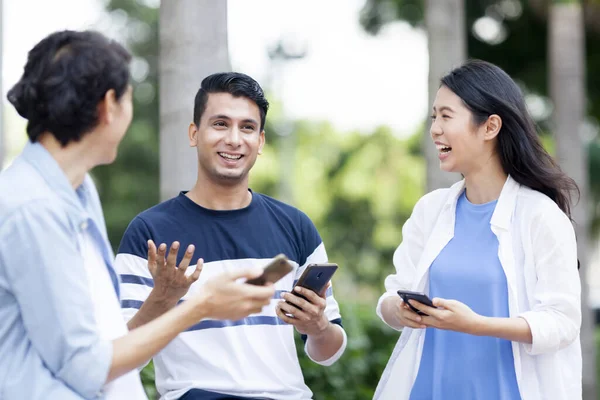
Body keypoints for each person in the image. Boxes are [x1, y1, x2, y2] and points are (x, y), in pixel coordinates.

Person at [0, 30, 275, 400]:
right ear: (109, 105)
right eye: (129, 97)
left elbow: (106, 336)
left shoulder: (78, 190)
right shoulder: (34, 208)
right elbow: (86, 367)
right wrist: (201, 307)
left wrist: (163, 298)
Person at [114, 72, 347, 400]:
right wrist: (163, 298)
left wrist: (317, 326)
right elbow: (120, 358)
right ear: (194, 133)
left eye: (247, 127)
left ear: (261, 142)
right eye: (220, 124)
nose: (234, 139)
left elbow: (328, 352)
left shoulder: (296, 227)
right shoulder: (150, 232)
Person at [374, 60, 581, 400]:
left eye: (446, 116)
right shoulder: (431, 210)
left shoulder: (539, 215)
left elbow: (562, 322)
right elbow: (392, 294)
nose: (435, 130)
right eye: (433, 118)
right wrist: (396, 309)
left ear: (490, 127)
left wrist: (477, 325)